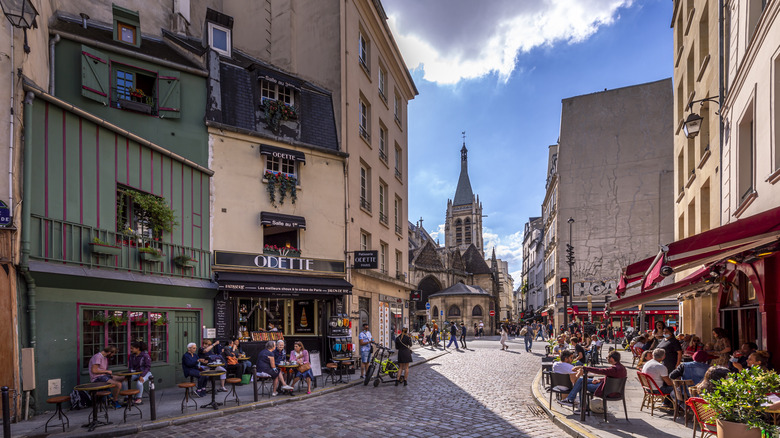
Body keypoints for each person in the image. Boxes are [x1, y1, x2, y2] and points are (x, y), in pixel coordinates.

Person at [559, 350, 627, 406]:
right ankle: (571, 400)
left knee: (582, 384)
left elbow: (600, 371)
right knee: (581, 380)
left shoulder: (614, 369)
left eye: (607, 358)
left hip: (607, 390)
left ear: (611, 358)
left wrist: (583, 367)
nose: (607, 359)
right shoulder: (622, 368)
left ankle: (582, 408)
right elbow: (612, 379)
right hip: (613, 389)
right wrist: (599, 380)